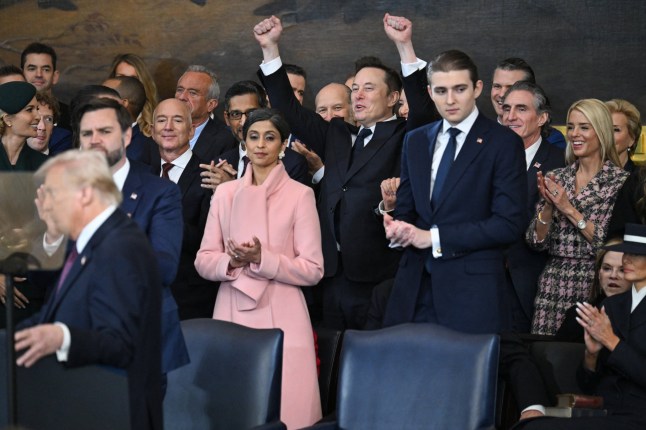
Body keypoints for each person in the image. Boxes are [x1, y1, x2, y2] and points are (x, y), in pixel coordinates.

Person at [254, 15, 436, 330]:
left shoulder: (408, 135)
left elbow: (423, 107)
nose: (358, 96)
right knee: (329, 364)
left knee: (370, 363)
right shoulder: (336, 133)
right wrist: (270, 49)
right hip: (328, 272)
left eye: (369, 88)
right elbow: (289, 110)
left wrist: (404, 46)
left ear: (393, 98)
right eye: (354, 89)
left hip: (378, 274)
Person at [380, 14, 526, 333]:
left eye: (459, 89)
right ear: (430, 92)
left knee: (463, 382)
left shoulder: (503, 143)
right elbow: (407, 210)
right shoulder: (416, 140)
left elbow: (508, 224)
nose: (450, 100)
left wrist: (431, 237)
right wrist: (397, 228)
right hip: (413, 290)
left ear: (477, 88)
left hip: (472, 295)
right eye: (441, 90)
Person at [15, 150, 162, 430]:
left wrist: (61, 336)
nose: (45, 205)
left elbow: (121, 343)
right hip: (83, 400)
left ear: (84, 195)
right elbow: (54, 311)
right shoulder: (89, 241)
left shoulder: (121, 247)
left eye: (53, 194)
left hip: (115, 409)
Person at [195, 108, 323, 429]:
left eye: (270, 138)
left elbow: (313, 268)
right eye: (254, 137)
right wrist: (233, 261)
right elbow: (203, 259)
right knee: (232, 409)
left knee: (286, 412)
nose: (261, 145)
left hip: (283, 312)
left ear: (282, 145)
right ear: (244, 141)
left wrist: (262, 259)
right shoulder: (225, 193)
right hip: (231, 309)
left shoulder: (301, 195)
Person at [515, 223, 646, 430]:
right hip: (605, 411)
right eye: (626, 253)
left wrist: (611, 341)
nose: (627, 260)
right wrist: (591, 356)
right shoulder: (612, 305)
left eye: (636, 255)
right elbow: (588, 385)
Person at [526, 98, 629, 335]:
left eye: (584, 127)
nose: (574, 134)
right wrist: (550, 208)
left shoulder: (621, 182)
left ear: (601, 131)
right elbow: (536, 242)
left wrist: (568, 208)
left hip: (595, 286)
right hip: (552, 285)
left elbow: (610, 245)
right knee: (546, 361)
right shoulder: (557, 176)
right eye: (571, 126)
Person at [501, 80, 566, 332]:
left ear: (542, 118)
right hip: (486, 280)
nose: (510, 116)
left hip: (533, 284)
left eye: (521, 109)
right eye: (506, 109)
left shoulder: (560, 162)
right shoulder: (486, 156)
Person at [150, 98, 217, 320]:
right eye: (161, 120)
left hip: (190, 303)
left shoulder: (209, 176)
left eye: (177, 120)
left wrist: (162, 221)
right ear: (152, 131)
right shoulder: (141, 175)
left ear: (191, 131)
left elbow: (210, 241)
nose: (168, 127)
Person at [490, 57, 566, 149]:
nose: (502, 94)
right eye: (497, 86)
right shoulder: (480, 135)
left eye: (511, 88)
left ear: (530, 90)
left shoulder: (552, 140)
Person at [175, 65, 236, 163]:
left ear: (211, 105)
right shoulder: (160, 130)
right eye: (180, 90)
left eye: (192, 93)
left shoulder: (226, 140)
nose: (182, 97)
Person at [108, 53, 159, 137]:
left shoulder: (156, 120)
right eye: (121, 77)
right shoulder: (96, 115)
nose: (127, 84)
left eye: (133, 79)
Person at [0, 81, 47, 171]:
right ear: (7, 119)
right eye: (29, 110)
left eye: (37, 109)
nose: (38, 116)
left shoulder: (44, 165)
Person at [605, 99, 641, 173]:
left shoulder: (642, 179)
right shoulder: (577, 174)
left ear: (631, 139)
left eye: (616, 130)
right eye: (603, 129)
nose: (608, 135)